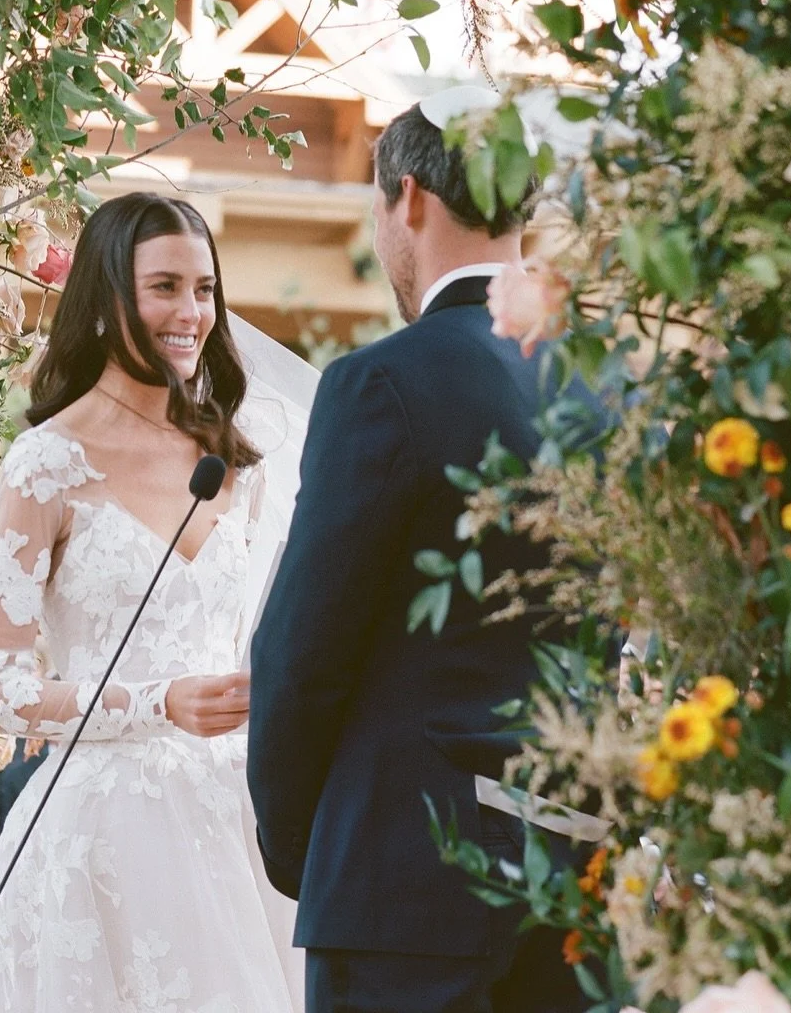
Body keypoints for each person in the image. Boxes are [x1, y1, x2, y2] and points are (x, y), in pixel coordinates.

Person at [248, 98, 592, 1013]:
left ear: (406, 198)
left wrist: (299, 845)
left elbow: (303, 649)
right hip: (576, 885)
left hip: (404, 887)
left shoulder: (383, 382)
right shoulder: (604, 386)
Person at [0, 192, 307, 1013]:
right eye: (165, 288)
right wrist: (160, 703)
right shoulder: (43, 463)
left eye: (205, 289)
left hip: (234, 826)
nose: (192, 313)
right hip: (95, 840)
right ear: (110, 299)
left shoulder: (239, 461)